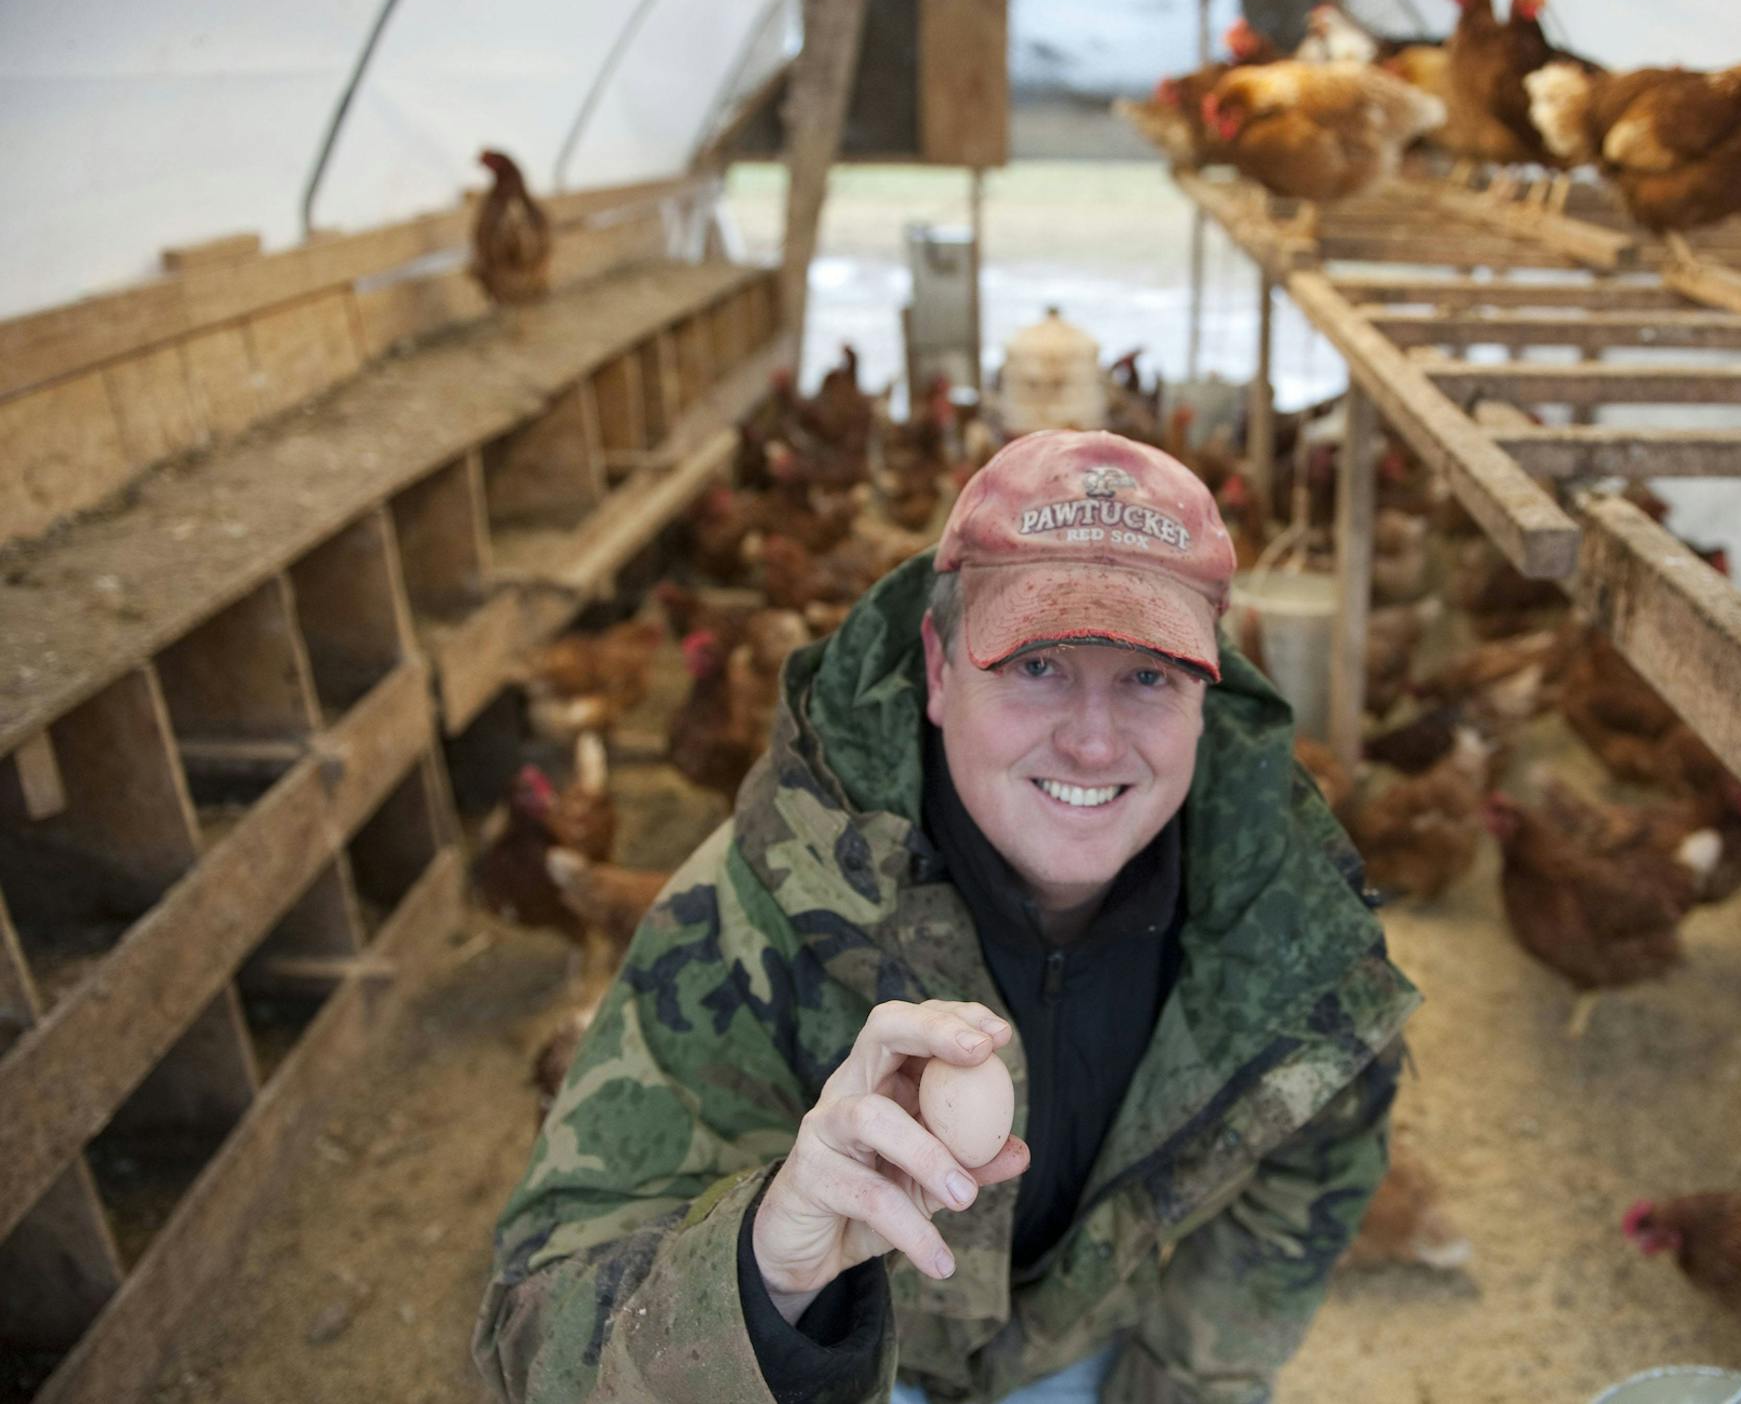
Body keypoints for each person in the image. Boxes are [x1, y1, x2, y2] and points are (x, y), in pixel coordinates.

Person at [473, 428, 1420, 1403]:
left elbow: (1305, 1172)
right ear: (936, 666)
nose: (1093, 742)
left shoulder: (1286, 926)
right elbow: (537, 1336)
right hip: (839, 1365)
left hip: (1082, 1355)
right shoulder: (750, 913)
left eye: (1148, 676)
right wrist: (767, 1277)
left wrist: (1184, 1380)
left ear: (1205, 697)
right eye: (1038, 665)